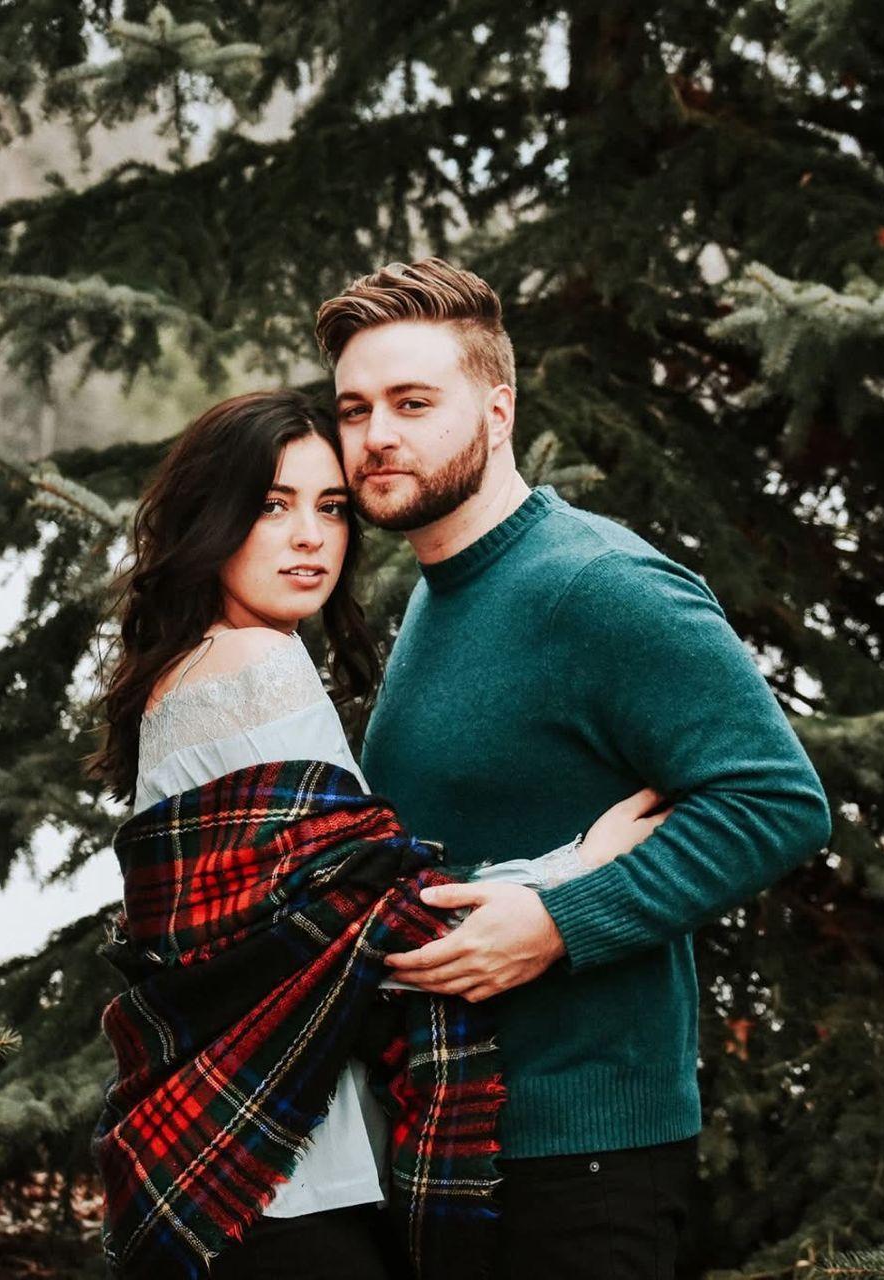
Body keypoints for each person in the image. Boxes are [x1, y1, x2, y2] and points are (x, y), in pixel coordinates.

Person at [315, 258, 834, 1280]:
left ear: (497, 409)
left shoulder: (597, 584)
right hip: (457, 1134)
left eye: (414, 402)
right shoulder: (440, 588)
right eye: (356, 408)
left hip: (584, 1156)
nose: (378, 435)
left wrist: (561, 920)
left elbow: (777, 798)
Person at [83, 389, 672, 1279]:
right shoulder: (257, 664)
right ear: (213, 517)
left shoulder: (181, 672)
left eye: (331, 508)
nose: (311, 536)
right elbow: (381, 926)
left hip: (218, 1164)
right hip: (284, 1173)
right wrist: (581, 869)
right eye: (274, 505)